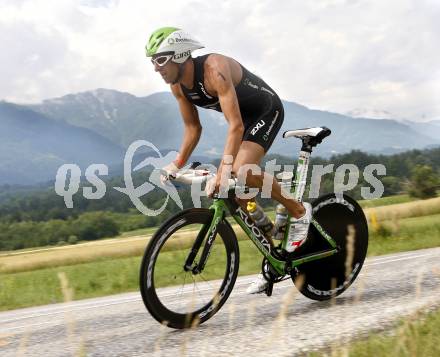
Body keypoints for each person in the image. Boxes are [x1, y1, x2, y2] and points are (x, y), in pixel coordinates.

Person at [146, 27, 312, 294]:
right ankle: (276, 257)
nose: (156, 68)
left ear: (179, 55)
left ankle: (297, 211)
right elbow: (193, 129)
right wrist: (176, 164)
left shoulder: (214, 68)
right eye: (152, 61)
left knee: (239, 171)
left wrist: (224, 171)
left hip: (264, 111)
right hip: (242, 123)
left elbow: (234, 125)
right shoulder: (178, 86)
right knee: (239, 196)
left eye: (160, 59)